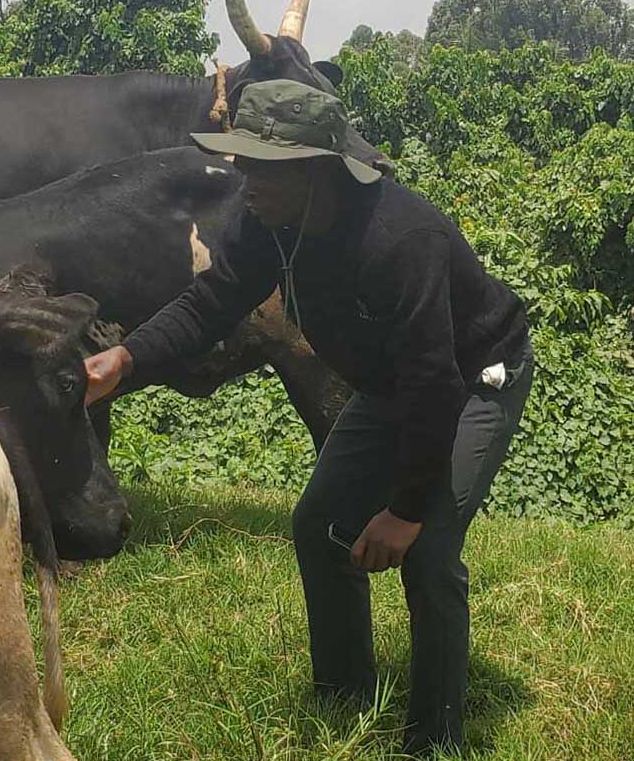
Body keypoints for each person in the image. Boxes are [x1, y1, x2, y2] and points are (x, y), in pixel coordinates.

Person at [85, 80, 533, 755]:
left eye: (259, 164)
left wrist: (407, 510)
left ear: (316, 169)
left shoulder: (401, 238)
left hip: (473, 382)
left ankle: (436, 738)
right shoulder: (267, 219)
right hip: (389, 386)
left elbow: (434, 385)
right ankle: (346, 692)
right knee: (318, 525)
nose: (242, 177)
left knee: (430, 552)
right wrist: (125, 357)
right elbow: (212, 302)